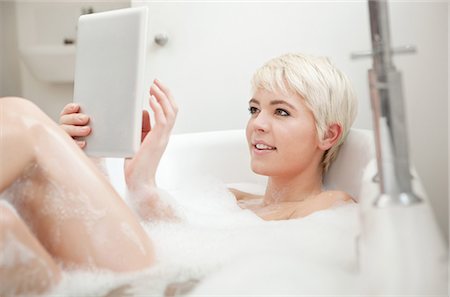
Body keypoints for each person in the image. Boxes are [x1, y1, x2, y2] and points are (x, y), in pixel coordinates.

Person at [0, 53, 357, 295]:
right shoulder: (230, 200)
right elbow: (153, 230)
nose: (257, 125)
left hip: (155, 286)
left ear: (328, 134)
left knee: (21, 118)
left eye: (281, 112)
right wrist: (113, 168)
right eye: (254, 109)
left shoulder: (332, 210)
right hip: (131, 281)